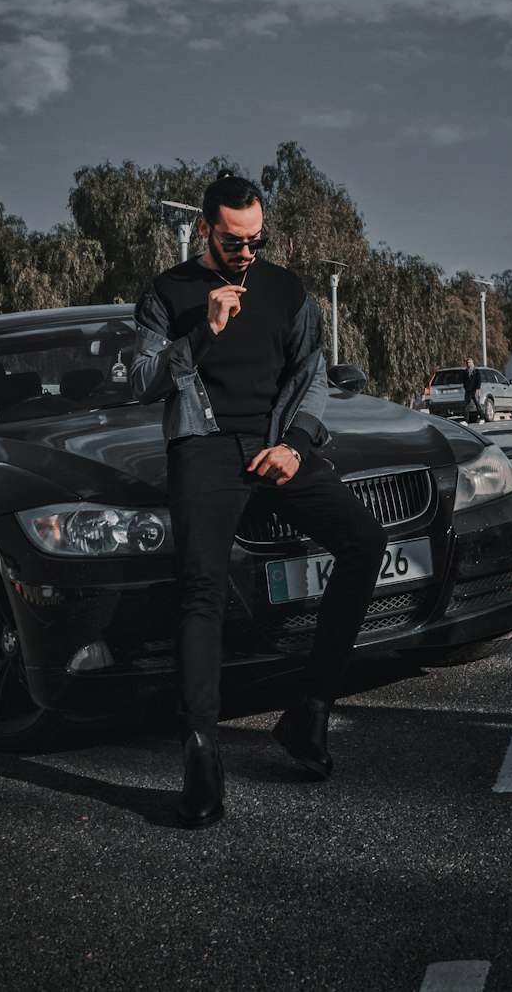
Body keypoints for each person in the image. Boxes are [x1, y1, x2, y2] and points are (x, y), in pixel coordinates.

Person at [130, 170, 388, 828]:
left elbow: (311, 376)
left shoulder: (288, 292)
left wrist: (297, 443)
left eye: (255, 240)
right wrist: (203, 332)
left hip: (276, 446)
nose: (246, 252)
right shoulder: (167, 292)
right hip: (204, 447)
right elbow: (140, 380)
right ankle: (201, 759)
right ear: (206, 231)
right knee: (200, 590)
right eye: (232, 241)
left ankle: (309, 713)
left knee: (365, 542)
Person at [461, 356, 482, 423]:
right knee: (466, 405)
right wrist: (465, 387)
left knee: (477, 404)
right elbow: (464, 381)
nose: (468, 364)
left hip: (474, 390)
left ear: (472, 362)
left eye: (469, 362)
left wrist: (477, 388)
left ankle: (482, 418)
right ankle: (466, 420)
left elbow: (479, 380)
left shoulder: (476, 371)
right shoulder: (465, 371)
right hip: (468, 390)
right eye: (467, 362)